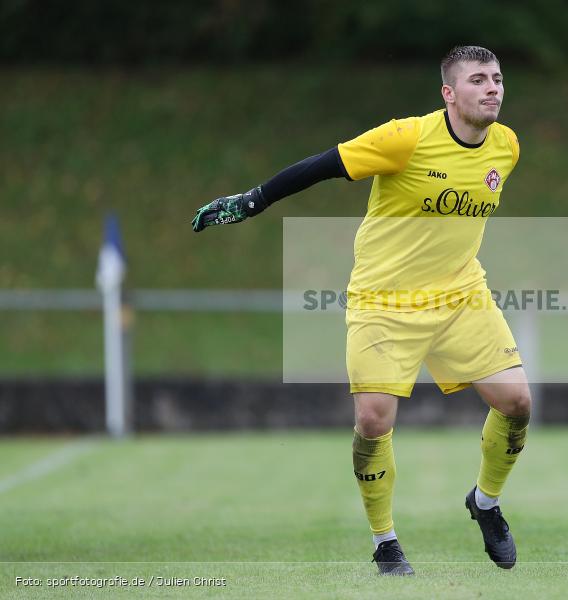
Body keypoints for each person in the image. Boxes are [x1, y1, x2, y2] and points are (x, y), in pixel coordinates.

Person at [191, 45, 531, 576]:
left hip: (460, 296)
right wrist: (254, 199)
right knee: (373, 422)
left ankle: (485, 503)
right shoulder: (406, 138)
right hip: (383, 301)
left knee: (517, 403)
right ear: (449, 93)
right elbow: (322, 165)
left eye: (497, 78)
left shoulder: (506, 147)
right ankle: (385, 542)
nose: (492, 88)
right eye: (478, 80)